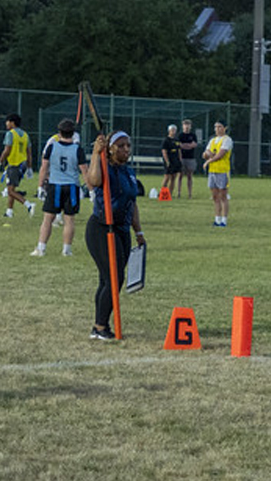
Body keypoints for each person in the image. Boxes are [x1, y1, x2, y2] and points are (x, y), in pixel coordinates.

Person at [84, 131, 145, 340]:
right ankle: (100, 327)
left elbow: (132, 203)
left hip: (122, 230)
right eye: (120, 146)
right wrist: (95, 153)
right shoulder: (103, 166)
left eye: (128, 146)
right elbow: (92, 181)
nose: (126, 150)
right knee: (113, 277)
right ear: (110, 148)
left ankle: (100, 323)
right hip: (102, 228)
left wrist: (139, 231)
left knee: (108, 279)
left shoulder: (129, 172)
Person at [32, 118, 87, 257]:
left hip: (55, 185)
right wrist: (91, 190)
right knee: (69, 220)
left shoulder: (52, 147)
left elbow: (44, 168)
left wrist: (40, 186)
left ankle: (41, 248)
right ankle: (66, 250)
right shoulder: (78, 149)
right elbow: (85, 171)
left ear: (59, 132)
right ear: (73, 133)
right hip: (72, 187)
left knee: (47, 219)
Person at [0, 114, 36, 218]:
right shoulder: (25, 135)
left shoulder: (10, 134)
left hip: (14, 164)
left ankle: (29, 205)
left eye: (7, 121)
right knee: (11, 188)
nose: (6, 124)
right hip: (22, 164)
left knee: (10, 190)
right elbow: (29, 153)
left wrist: (0, 161)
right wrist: (29, 167)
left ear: (12, 122)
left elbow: (7, 150)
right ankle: (9, 211)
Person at [202, 121, 233, 227]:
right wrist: (208, 156)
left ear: (225, 128)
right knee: (215, 196)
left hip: (223, 171)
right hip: (213, 171)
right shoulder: (213, 140)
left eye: (220, 127)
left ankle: (224, 220)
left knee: (223, 196)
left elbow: (220, 154)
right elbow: (205, 153)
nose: (217, 129)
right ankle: (217, 219)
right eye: (216, 127)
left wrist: (209, 160)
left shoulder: (227, 140)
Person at [175, 119, 199, 199]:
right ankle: (178, 193)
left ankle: (190, 194)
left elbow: (194, 145)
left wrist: (185, 145)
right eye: (185, 125)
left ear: (190, 126)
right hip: (182, 158)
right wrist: (188, 145)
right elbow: (179, 145)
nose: (186, 126)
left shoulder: (193, 135)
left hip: (190, 158)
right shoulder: (180, 135)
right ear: (183, 126)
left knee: (190, 176)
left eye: (188, 125)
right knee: (180, 176)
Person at [159, 124, 181, 197]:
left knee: (173, 177)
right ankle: (163, 194)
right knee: (167, 177)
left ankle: (169, 194)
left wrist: (180, 160)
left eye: (174, 130)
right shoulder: (166, 140)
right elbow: (164, 151)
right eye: (172, 130)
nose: (173, 132)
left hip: (176, 161)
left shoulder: (177, 140)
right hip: (169, 161)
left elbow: (179, 150)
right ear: (169, 131)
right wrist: (167, 161)